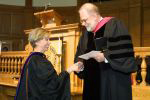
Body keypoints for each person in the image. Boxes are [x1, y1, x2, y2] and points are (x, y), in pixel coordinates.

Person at [74, 3, 138, 100]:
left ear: (94, 16)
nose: (83, 24)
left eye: (84, 20)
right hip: (90, 85)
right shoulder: (86, 34)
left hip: (111, 83)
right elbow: (80, 55)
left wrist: (106, 57)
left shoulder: (114, 25)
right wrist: (80, 65)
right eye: (81, 21)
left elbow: (124, 53)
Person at [15, 28, 83, 100]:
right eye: (46, 39)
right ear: (37, 41)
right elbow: (54, 86)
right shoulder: (39, 61)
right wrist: (70, 69)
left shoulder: (32, 59)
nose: (49, 42)